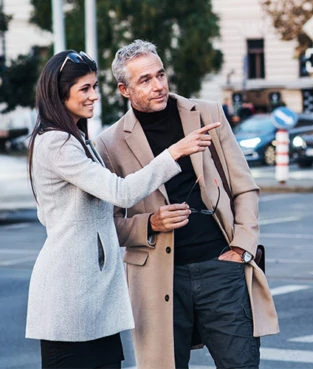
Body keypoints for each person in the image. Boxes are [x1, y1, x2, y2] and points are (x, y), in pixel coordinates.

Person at [25, 50, 218, 369]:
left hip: (92, 292)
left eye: (95, 86)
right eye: (85, 89)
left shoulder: (76, 140)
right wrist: (175, 152)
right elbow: (121, 191)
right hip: (71, 294)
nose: (94, 96)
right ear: (60, 93)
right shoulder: (56, 144)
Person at [95, 40, 279, 369]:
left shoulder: (207, 114)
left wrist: (241, 248)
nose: (159, 86)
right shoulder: (109, 143)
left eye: (161, 75)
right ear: (124, 89)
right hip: (155, 278)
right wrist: (150, 223)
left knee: (242, 364)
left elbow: (245, 186)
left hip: (221, 266)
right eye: (146, 80)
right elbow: (106, 223)